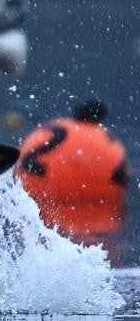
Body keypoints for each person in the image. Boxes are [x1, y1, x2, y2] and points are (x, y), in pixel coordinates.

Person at [17, 98, 129, 251]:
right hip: (98, 212)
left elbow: (23, 163)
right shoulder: (105, 139)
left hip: (42, 204)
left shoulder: (53, 129)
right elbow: (122, 176)